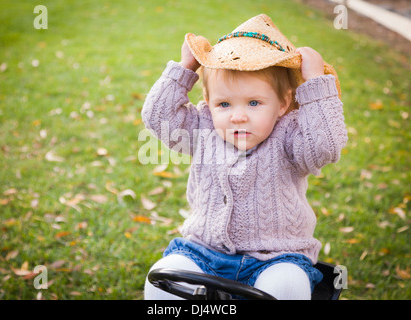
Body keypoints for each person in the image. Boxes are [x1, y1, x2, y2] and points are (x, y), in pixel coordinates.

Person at [142, 14, 348, 300]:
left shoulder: (291, 136)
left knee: (287, 287)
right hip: (203, 251)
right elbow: (157, 117)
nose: (238, 116)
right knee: (162, 281)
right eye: (224, 104)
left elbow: (326, 145)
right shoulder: (203, 128)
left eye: (254, 103)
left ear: (282, 104)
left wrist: (315, 83)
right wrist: (184, 68)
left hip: (276, 257)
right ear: (209, 104)